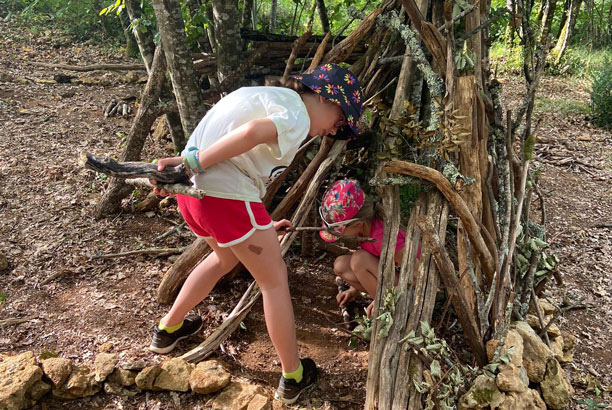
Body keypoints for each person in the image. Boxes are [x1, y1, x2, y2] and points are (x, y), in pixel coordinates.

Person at [148, 64, 363, 405]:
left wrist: (261, 227)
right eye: (340, 119)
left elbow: (232, 139)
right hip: (224, 196)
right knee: (274, 281)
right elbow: (250, 134)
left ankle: (167, 330)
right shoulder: (296, 114)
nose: (334, 130)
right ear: (325, 96)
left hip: (195, 198)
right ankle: (293, 376)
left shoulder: (263, 96)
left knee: (224, 257)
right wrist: (191, 164)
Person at [319, 179, 409, 319]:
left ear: (358, 224)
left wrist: (385, 299)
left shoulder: (385, 236)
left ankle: (384, 309)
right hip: (389, 277)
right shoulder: (365, 230)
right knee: (340, 265)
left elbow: (415, 277)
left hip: (407, 290)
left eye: (340, 230)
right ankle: (380, 300)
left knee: (359, 260)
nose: (340, 235)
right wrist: (353, 290)